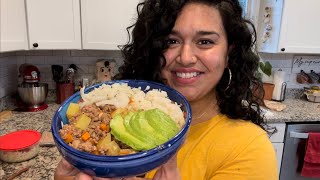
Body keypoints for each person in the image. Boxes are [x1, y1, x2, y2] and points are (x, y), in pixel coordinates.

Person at [54, 0, 278, 179]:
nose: (186, 57)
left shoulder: (250, 149)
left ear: (229, 53)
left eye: (205, 42)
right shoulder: (119, 115)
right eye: (171, 41)